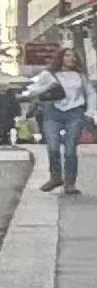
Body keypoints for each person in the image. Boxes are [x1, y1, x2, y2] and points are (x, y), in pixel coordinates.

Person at [42, 51, 87, 194]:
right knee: (53, 146)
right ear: (60, 57)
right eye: (67, 55)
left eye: (73, 55)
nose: (71, 58)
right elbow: (35, 89)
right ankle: (55, 177)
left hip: (75, 113)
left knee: (70, 148)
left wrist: (90, 112)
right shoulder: (48, 74)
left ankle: (70, 183)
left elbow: (91, 94)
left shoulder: (81, 76)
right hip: (53, 113)